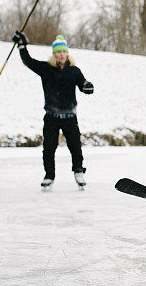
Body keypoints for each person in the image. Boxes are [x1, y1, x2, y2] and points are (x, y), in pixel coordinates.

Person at [11, 31, 95, 189]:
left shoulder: (74, 71)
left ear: (67, 53)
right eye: (58, 52)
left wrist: (87, 87)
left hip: (70, 116)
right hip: (51, 116)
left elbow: (83, 83)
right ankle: (49, 175)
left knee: (75, 146)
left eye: (64, 51)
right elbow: (28, 61)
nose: (61, 55)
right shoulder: (46, 69)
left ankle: (78, 171)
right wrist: (22, 45)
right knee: (48, 148)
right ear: (54, 54)